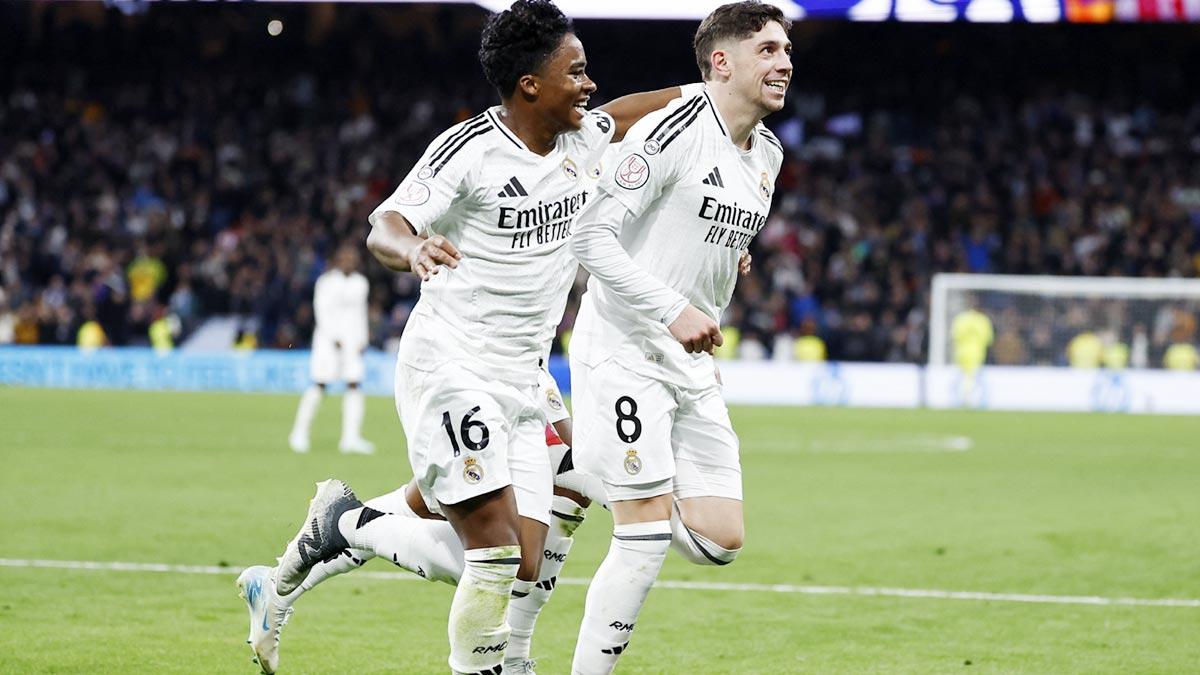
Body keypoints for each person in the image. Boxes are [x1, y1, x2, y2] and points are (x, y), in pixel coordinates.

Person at [264, 3, 695, 674]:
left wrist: (708, 97)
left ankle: (348, 524)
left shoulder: (581, 138)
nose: (589, 85)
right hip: (451, 365)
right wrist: (411, 250)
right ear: (530, 85)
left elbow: (634, 111)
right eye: (575, 72)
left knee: (522, 559)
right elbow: (388, 221)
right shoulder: (471, 150)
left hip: (523, 379)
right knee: (492, 553)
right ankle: (484, 655)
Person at [565, 2, 790, 671]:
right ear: (722, 61)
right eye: (769, 50)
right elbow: (590, 238)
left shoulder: (769, 157)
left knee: (721, 539)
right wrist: (673, 309)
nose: (784, 62)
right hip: (625, 348)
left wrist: (729, 254)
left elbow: (710, 226)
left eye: (786, 51)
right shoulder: (673, 130)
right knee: (643, 533)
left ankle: (573, 464)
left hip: (689, 366)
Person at [287, 244, 375, 455]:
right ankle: (299, 433)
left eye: (353, 258)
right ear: (338, 260)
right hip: (327, 342)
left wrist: (362, 339)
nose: (349, 261)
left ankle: (351, 438)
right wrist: (334, 337)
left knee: (354, 384)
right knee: (320, 383)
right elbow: (321, 311)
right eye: (345, 257)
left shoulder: (360, 283)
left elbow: (361, 313)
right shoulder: (327, 282)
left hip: (352, 342)